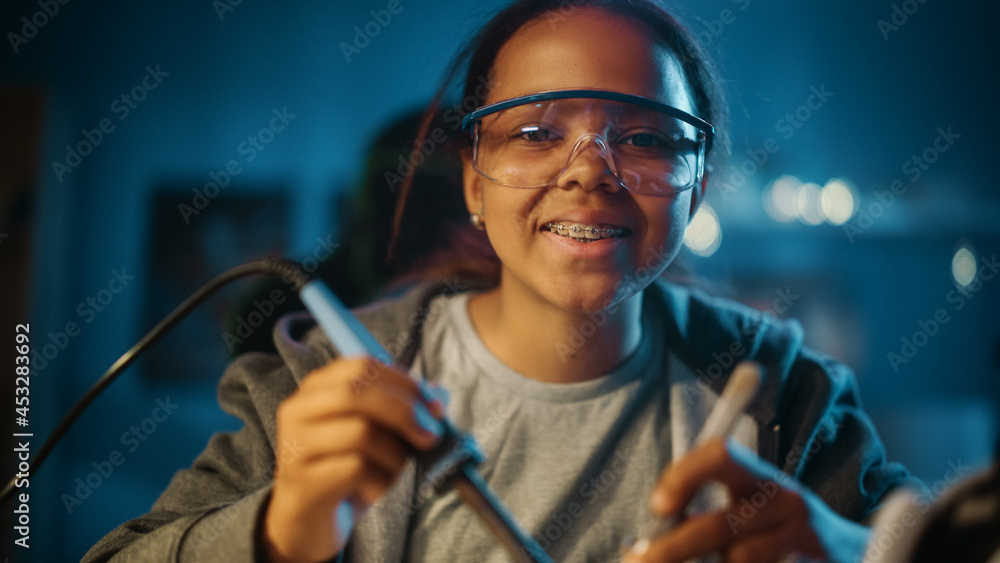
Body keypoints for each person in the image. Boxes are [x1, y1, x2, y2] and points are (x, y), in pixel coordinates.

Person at [84, 1, 918, 561]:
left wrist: (848, 548)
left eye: (648, 138)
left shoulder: (792, 398)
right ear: (475, 183)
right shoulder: (316, 386)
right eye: (535, 132)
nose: (589, 174)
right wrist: (277, 530)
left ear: (696, 186)